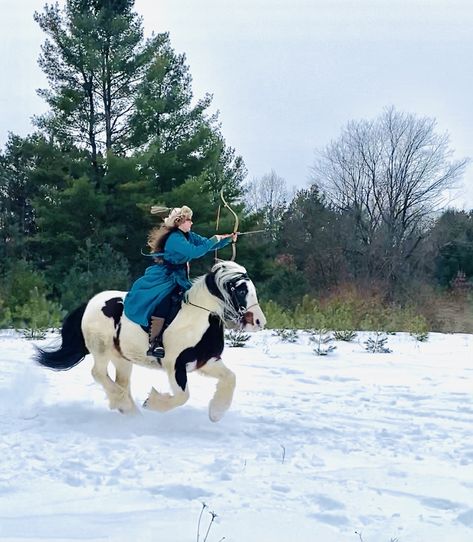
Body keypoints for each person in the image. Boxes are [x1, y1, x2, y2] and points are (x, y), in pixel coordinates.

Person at [123, 205, 237, 359]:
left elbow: (205, 244)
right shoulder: (174, 238)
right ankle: (155, 342)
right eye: (188, 220)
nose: (191, 223)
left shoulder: (189, 235)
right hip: (164, 276)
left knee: (190, 301)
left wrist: (227, 239)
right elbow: (194, 252)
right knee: (163, 301)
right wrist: (213, 240)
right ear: (180, 222)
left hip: (180, 276)